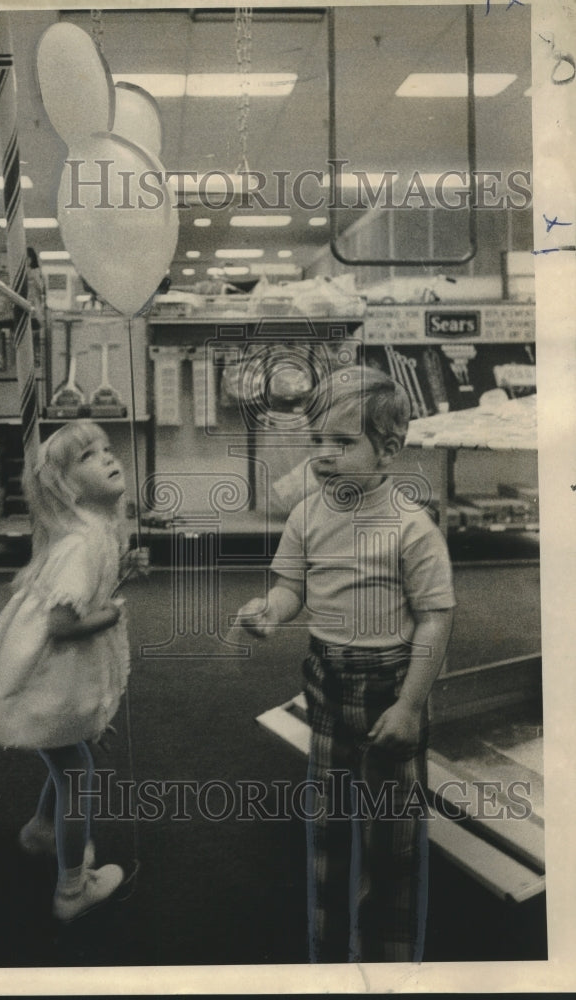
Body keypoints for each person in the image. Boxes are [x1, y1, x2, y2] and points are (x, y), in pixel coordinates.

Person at [236, 365, 455, 963]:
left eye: (343, 442)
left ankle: (389, 958)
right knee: (328, 825)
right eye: (317, 442)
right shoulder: (309, 514)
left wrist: (410, 705)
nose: (325, 456)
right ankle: (327, 953)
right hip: (326, 680)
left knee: (394, 837)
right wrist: (269, 611)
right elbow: (290, 588)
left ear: (388, 449)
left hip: (392, 683)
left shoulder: (411, 527)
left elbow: (435, 618)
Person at [0, 420, 131, 922]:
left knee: (69, 758)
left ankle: (40, 831)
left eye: (106, 448)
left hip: (59, 676)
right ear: (65, 486)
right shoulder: (80, 544)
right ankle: (73, 888)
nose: (105, 457)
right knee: (78, 771)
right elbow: (61, 624)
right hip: (51, 676)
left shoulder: (93, 531)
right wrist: (112, 614)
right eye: (86, 457)